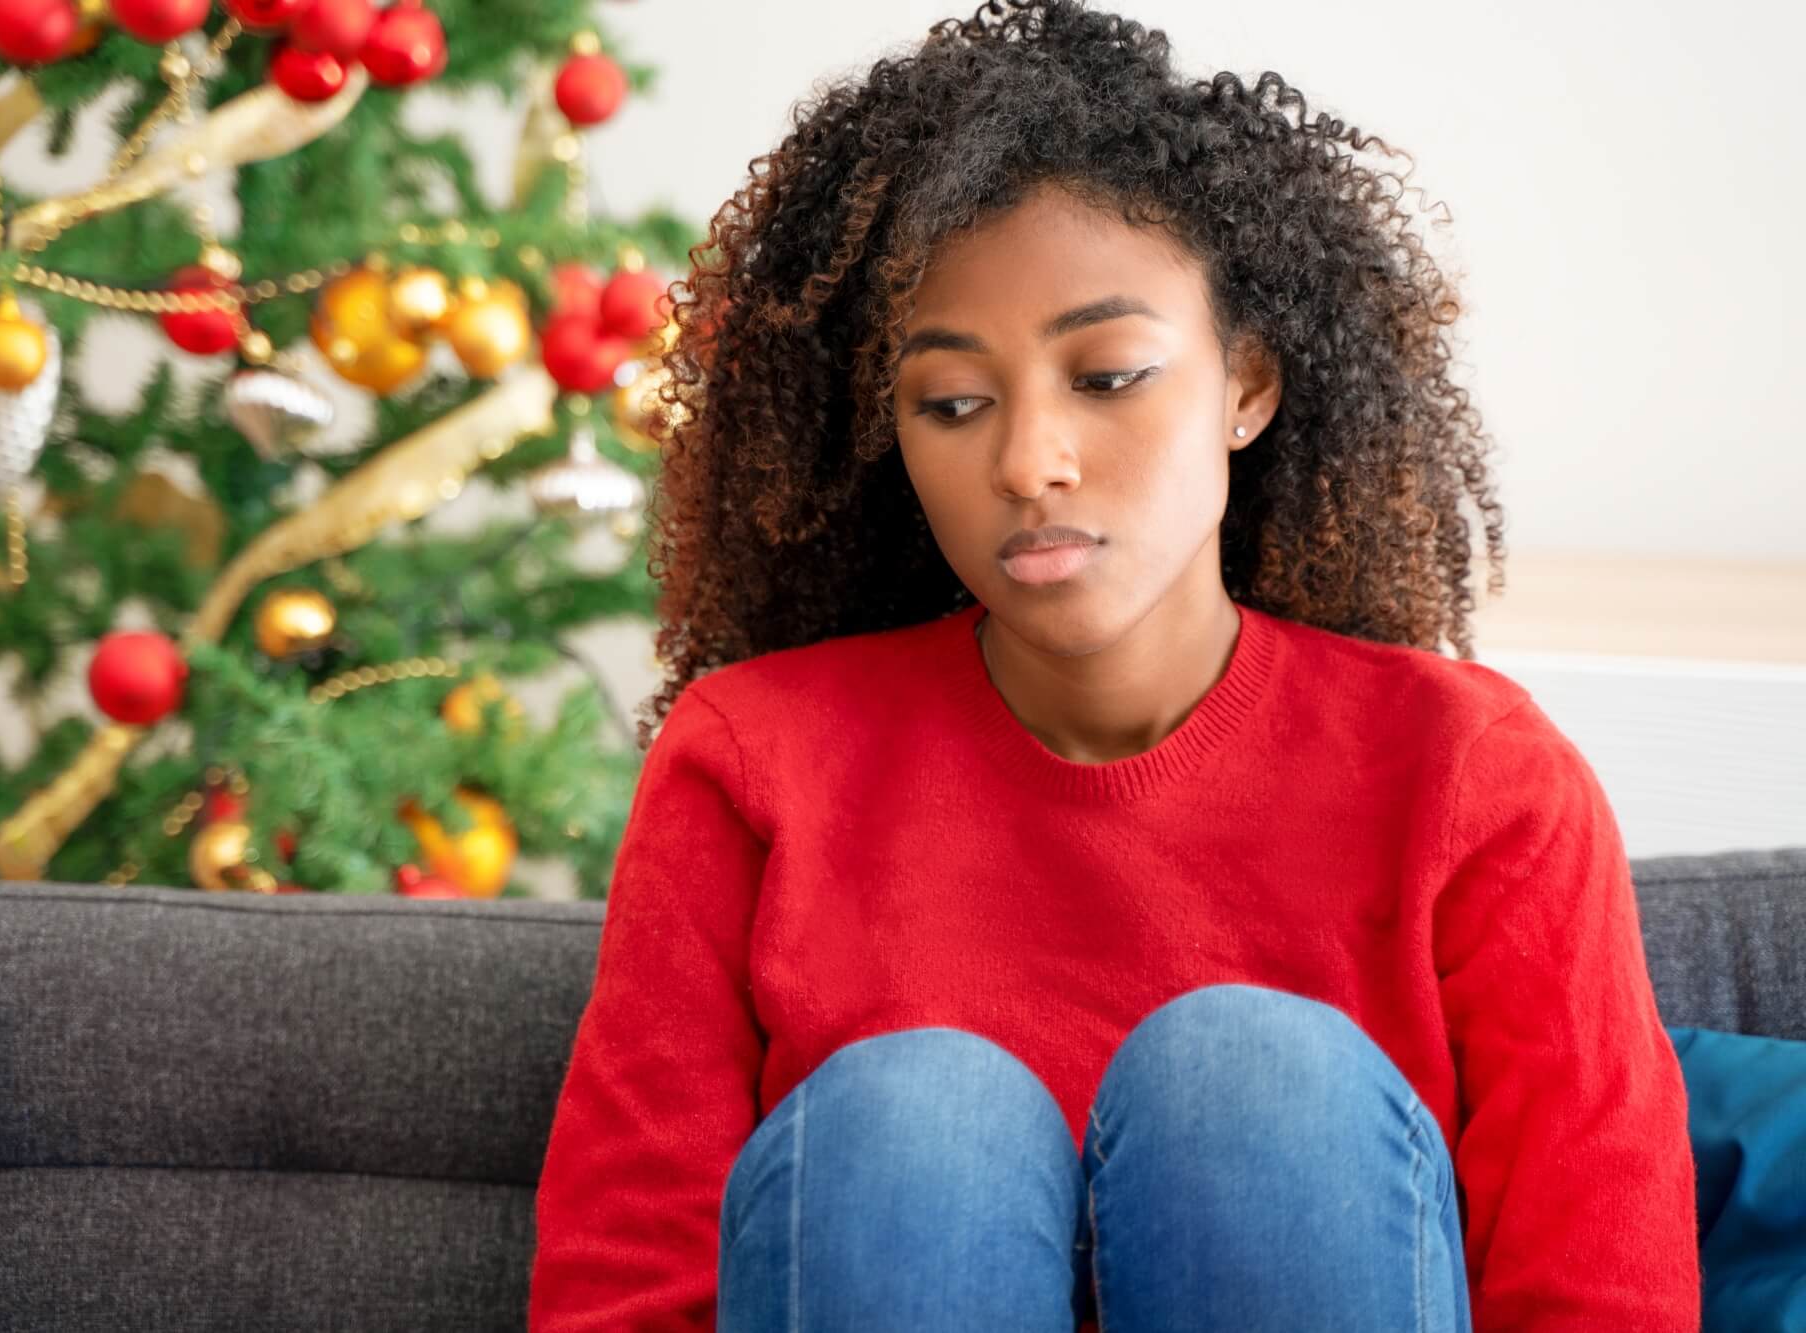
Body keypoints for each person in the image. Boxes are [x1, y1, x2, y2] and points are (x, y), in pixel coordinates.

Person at [528, 1, 1702, 1328]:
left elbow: (1603, 1290)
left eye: (1110, 375)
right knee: (916, 1117)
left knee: (1246, 1078)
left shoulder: (1477, 777)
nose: (1030, 462)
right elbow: (624, 1284)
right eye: (954, 403)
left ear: (1245, 384)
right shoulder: (754, 760)